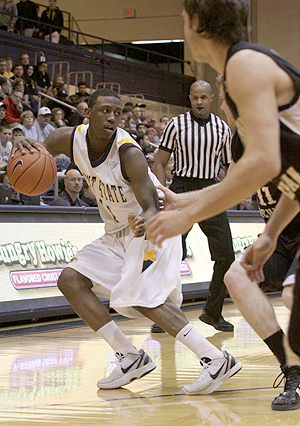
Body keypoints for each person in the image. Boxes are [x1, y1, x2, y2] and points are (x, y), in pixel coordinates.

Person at [12, 87, 241, 395]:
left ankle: (215, 359)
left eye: (117, 112)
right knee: (70, 280)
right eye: (104, 110)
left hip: (152, 227)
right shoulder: (68, 138)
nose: (111, 117)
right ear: (87, 113)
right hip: (118, 232)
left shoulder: (128, 153)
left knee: (141, 297)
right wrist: (22, 144)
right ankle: (129, 356)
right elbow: (40, 149)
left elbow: (150, 205)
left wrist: (146, 218)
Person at [146, 0, 300, 412]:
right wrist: (267, 235)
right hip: (292, 220)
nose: (181, 26)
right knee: (240, 276)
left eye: (182, 19)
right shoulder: (243, 114)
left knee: (291, 296)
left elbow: (265, 163)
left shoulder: (244, 64)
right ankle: (293, 373)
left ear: (197, 21)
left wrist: (189, 214)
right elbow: (290, 180)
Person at [153, 80, 235, 333]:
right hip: (181, 188)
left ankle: (213, 312)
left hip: (210, 191)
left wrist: (225, 188)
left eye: (204, 97)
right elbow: (159, 161)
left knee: (226, 256)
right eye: (195, 97)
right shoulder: (176, 125)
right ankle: (164, 315)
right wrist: (162, 191)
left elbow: (229, 164)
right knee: (171, 254)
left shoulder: (222, 128)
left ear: (211, 99)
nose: (199, 102)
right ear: (189, 98)